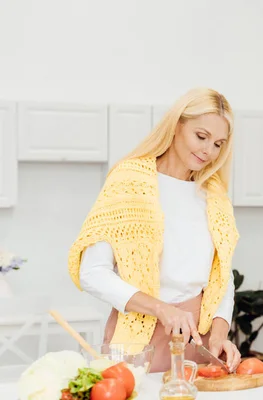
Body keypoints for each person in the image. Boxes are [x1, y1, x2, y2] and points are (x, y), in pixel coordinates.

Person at [68, 87, 241, 373]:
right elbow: (92, 273)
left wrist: (220, 333)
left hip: (198, 338)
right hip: (139, 335)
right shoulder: (129, 181)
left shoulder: (215, 195)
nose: (208, 151)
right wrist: (163, 310)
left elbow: (222, 277)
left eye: (219, 144)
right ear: (176, 126)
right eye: (201, 136)